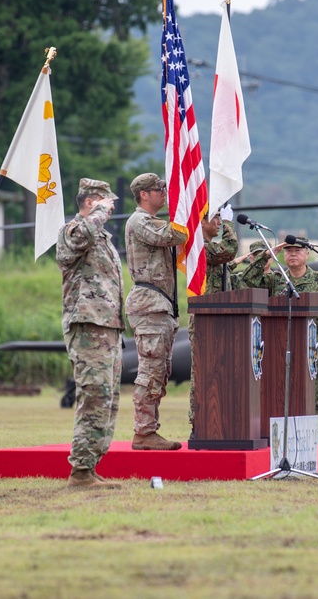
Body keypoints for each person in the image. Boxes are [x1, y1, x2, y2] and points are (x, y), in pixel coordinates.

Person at [56, 178, 125, 489]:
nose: (111, 206)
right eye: (105, 201)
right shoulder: (74, 230)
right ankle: (80, 470)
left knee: (107, 399)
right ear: (90, 202)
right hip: (87, 325)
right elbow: (79, 238)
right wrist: (97, 214)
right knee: (94, 395)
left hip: (107, 325)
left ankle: (91, 466)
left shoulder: (102, 237)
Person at [244, 241, 318, 443]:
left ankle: (316, 440)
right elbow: (248, 281)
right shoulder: (276, 279)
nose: (293, 255)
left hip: (311, 351)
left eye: (297, 251)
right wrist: (267, 255)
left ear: (307, 254)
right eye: (288, 251)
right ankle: (282, 439)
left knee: (312, 396)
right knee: (279, 392)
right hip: (279, 349)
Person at [124, 172, 187, 451]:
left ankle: (148, 431)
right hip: (149, 304)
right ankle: (144, 432)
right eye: (159, 189)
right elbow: (173, 234)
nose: (164, 193)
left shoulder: (149, 220)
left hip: (159, 304)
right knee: (151, 370)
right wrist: (186, 207)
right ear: (144, 195)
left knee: (160, 369)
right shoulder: (140, 221)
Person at [187, 209, 239, 431]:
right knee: (202, 373)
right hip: (204, 318)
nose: (218, 222)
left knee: (218, 371)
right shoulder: (199, 244)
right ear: (202, 220)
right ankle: (198, 422)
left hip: (218, 317)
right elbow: (228, 250)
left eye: (220, 218)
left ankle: (216, 420)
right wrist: (229, 223)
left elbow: (222, 266)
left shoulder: (208, 247)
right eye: (215, 218)